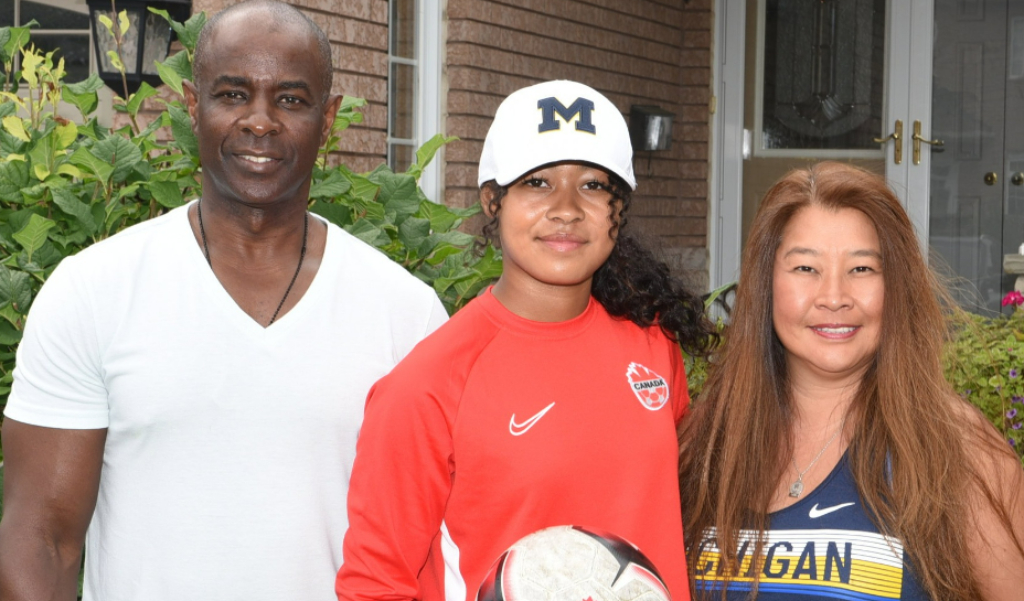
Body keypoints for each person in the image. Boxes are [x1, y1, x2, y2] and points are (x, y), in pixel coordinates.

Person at [0, 2, 447, 600]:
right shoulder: (94, 291)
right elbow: (41, 540)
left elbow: (434, 542)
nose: (259, 121)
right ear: (193, 104)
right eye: (233, 94)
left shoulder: (407, 314)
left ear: (328, 117)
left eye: (291, 99)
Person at [335, 80, 717, 601]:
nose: (565, 208)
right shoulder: (428, 385)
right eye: (537, 183)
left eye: (592, 185)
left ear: (619, 208)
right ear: (492, 200)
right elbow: (375, 584)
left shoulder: (652, 346)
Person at [678, 162, 1024, 601]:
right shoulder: (705, 442)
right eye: (806, 268)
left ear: (895, 285)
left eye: (862, 270)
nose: (835, 297)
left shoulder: (957, 448)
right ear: (766, 284)